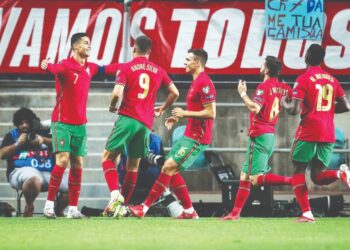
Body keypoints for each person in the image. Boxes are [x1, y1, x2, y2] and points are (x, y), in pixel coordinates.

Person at [128, 48, 216, 219]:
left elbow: (211, 112)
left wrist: (184, 113)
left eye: (188, 59)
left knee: (168, 167)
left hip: (197, 138)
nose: (185, 62)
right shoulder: (196, 82)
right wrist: (178, 118)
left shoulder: (205, 82)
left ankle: (143, 208)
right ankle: (190, 211)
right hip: (189, 135)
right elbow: (197, 110)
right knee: (170, 168)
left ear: (197, 63)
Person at [101, 35, 179, 217]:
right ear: (149, 52)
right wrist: (162, 108)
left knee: (106, 158)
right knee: (132, 167)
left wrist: (113, 106)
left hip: (128, 118)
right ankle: (123, 208)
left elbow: (116, 93)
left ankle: (115, 196)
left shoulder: (126, 67)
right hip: (145, 124)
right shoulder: (158, 70)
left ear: (133, 49)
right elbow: (174, 92)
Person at [281, 44, 350, 223]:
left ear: (307, 56)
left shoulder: (304, 78)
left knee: (298, 169)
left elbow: (294, 110)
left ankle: (306, 213)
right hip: (328, 132)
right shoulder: (332, 79)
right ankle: (339, 174)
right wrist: (325, 110)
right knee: (318, 176)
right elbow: (346, 106)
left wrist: (284, 103)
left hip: (309, 130)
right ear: (322, 59)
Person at [221, 56, 292, 220]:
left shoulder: (263, 86)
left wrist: (243, 93)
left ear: (267, 70)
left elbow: (255, 107)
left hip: (259, 135)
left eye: (262, 65)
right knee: (244, 176)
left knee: (254, 178)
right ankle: (235, 213)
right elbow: (294, 100)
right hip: (269, 135)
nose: (260, 67)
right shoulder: (284, 88)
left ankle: (292, 180)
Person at [40, 32, 100, 219]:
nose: (89, 46)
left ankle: (73, 209)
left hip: (80, 125)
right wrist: (45, 65)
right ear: (75, 47)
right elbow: (54, 69)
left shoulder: (90, 68)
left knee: (78, 163)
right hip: (62, 122)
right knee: (63, 160)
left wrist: (131, 66)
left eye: (90, 43)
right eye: (85, 43)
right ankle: (49, 205)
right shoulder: (65, 65)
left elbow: (110, 68)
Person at [0, 108, 68, 217]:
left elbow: (62, 143)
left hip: (48, 172)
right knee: (34, 179)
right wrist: (17, 143)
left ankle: (57, 210)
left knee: (71, 184)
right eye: (21, 123)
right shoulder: (12, 135)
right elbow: (2, 154)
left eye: (27, 122)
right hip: (21, 171)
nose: (24, 126)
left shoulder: (42, 132)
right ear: (17, 124)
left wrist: (43, 140)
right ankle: (29, 205)